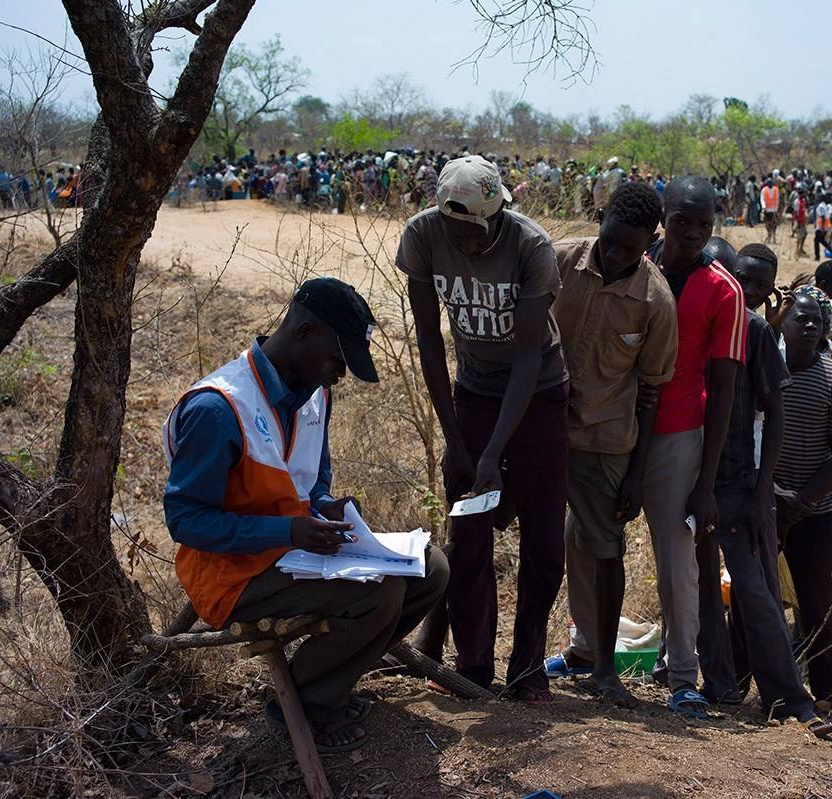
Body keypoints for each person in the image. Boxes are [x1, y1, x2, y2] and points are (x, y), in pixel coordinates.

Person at [162, 278, 448, 753]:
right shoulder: (218, 408)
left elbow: (312, 480)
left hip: (296, 553)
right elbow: (186, 522)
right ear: (304, 331)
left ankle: (332, 677)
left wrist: (323, 507)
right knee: (381, 594)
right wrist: (288, 529)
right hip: (231, 573)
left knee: (431, 569)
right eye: (337, 360)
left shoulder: (315, 393)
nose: (339, 374)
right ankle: (305, 702)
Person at [396, 155, 569, 701]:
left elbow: (525, 358)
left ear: (496, 217)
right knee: (468, 532)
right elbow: (428, 338)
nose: (465, 243)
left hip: (537, 393)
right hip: (472, 391)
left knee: (543, 537)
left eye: (475, 230)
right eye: (456, 230)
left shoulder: (530, 246)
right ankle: (473, 668)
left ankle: (527, 665)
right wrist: (457, 442)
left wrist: (493, 453)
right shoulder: (422, 236)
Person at [544, 182, 678, 707]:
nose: (619, 254)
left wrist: (638, 472)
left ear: (651, 240)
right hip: (545, 428)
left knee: (604, 550)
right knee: (539, 544)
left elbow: (652, 392)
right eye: (612, 241)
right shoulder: (557, 262)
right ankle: (523, 660)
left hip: (606, 440)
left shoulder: (656, 300)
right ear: (599, 219)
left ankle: (604, 669)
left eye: (633, 247)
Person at [694, 244, 832, 738]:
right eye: (740, 280)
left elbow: (772, 414)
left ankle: (788, 698)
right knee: (696, 585)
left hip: (738, 479)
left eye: (758, 285)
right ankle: (711, 682)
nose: (746, 293)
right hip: (688, 473)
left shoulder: (754, 333)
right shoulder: (686, 310)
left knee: (755, 591)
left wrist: (760, 492)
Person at [643, 175, 745, 719]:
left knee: (677, 559)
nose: (691, 233)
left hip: (680, 433)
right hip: (619, 427)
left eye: (702, 225)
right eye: (681, 220)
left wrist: (705, 483)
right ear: (664, 216)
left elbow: (725, 388)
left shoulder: (723, 289)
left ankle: (683, 677)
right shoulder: (637, 261)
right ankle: (586, 649)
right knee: (584, 537)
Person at [775, 287, 832, 707]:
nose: (809, 326)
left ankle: (829, 692)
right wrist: (774, 499)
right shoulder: (764, 371)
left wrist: (800, 502)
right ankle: (734, 685)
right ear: (783, 324)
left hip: (814, 512)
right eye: (800, 318)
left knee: (816, 604)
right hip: (764, 506)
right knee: (753, 599)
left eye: (816, 321)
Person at [762, 178, 780, 243]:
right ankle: (769, 237)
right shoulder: (764, 190)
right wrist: (764, 207)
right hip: (767, 210)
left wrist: (776, 209)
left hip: (774, 210)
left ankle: (774, 238)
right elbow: (762, 199)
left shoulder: (776, 189)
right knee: (768, 225)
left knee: (774, 225)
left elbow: (777, 199)